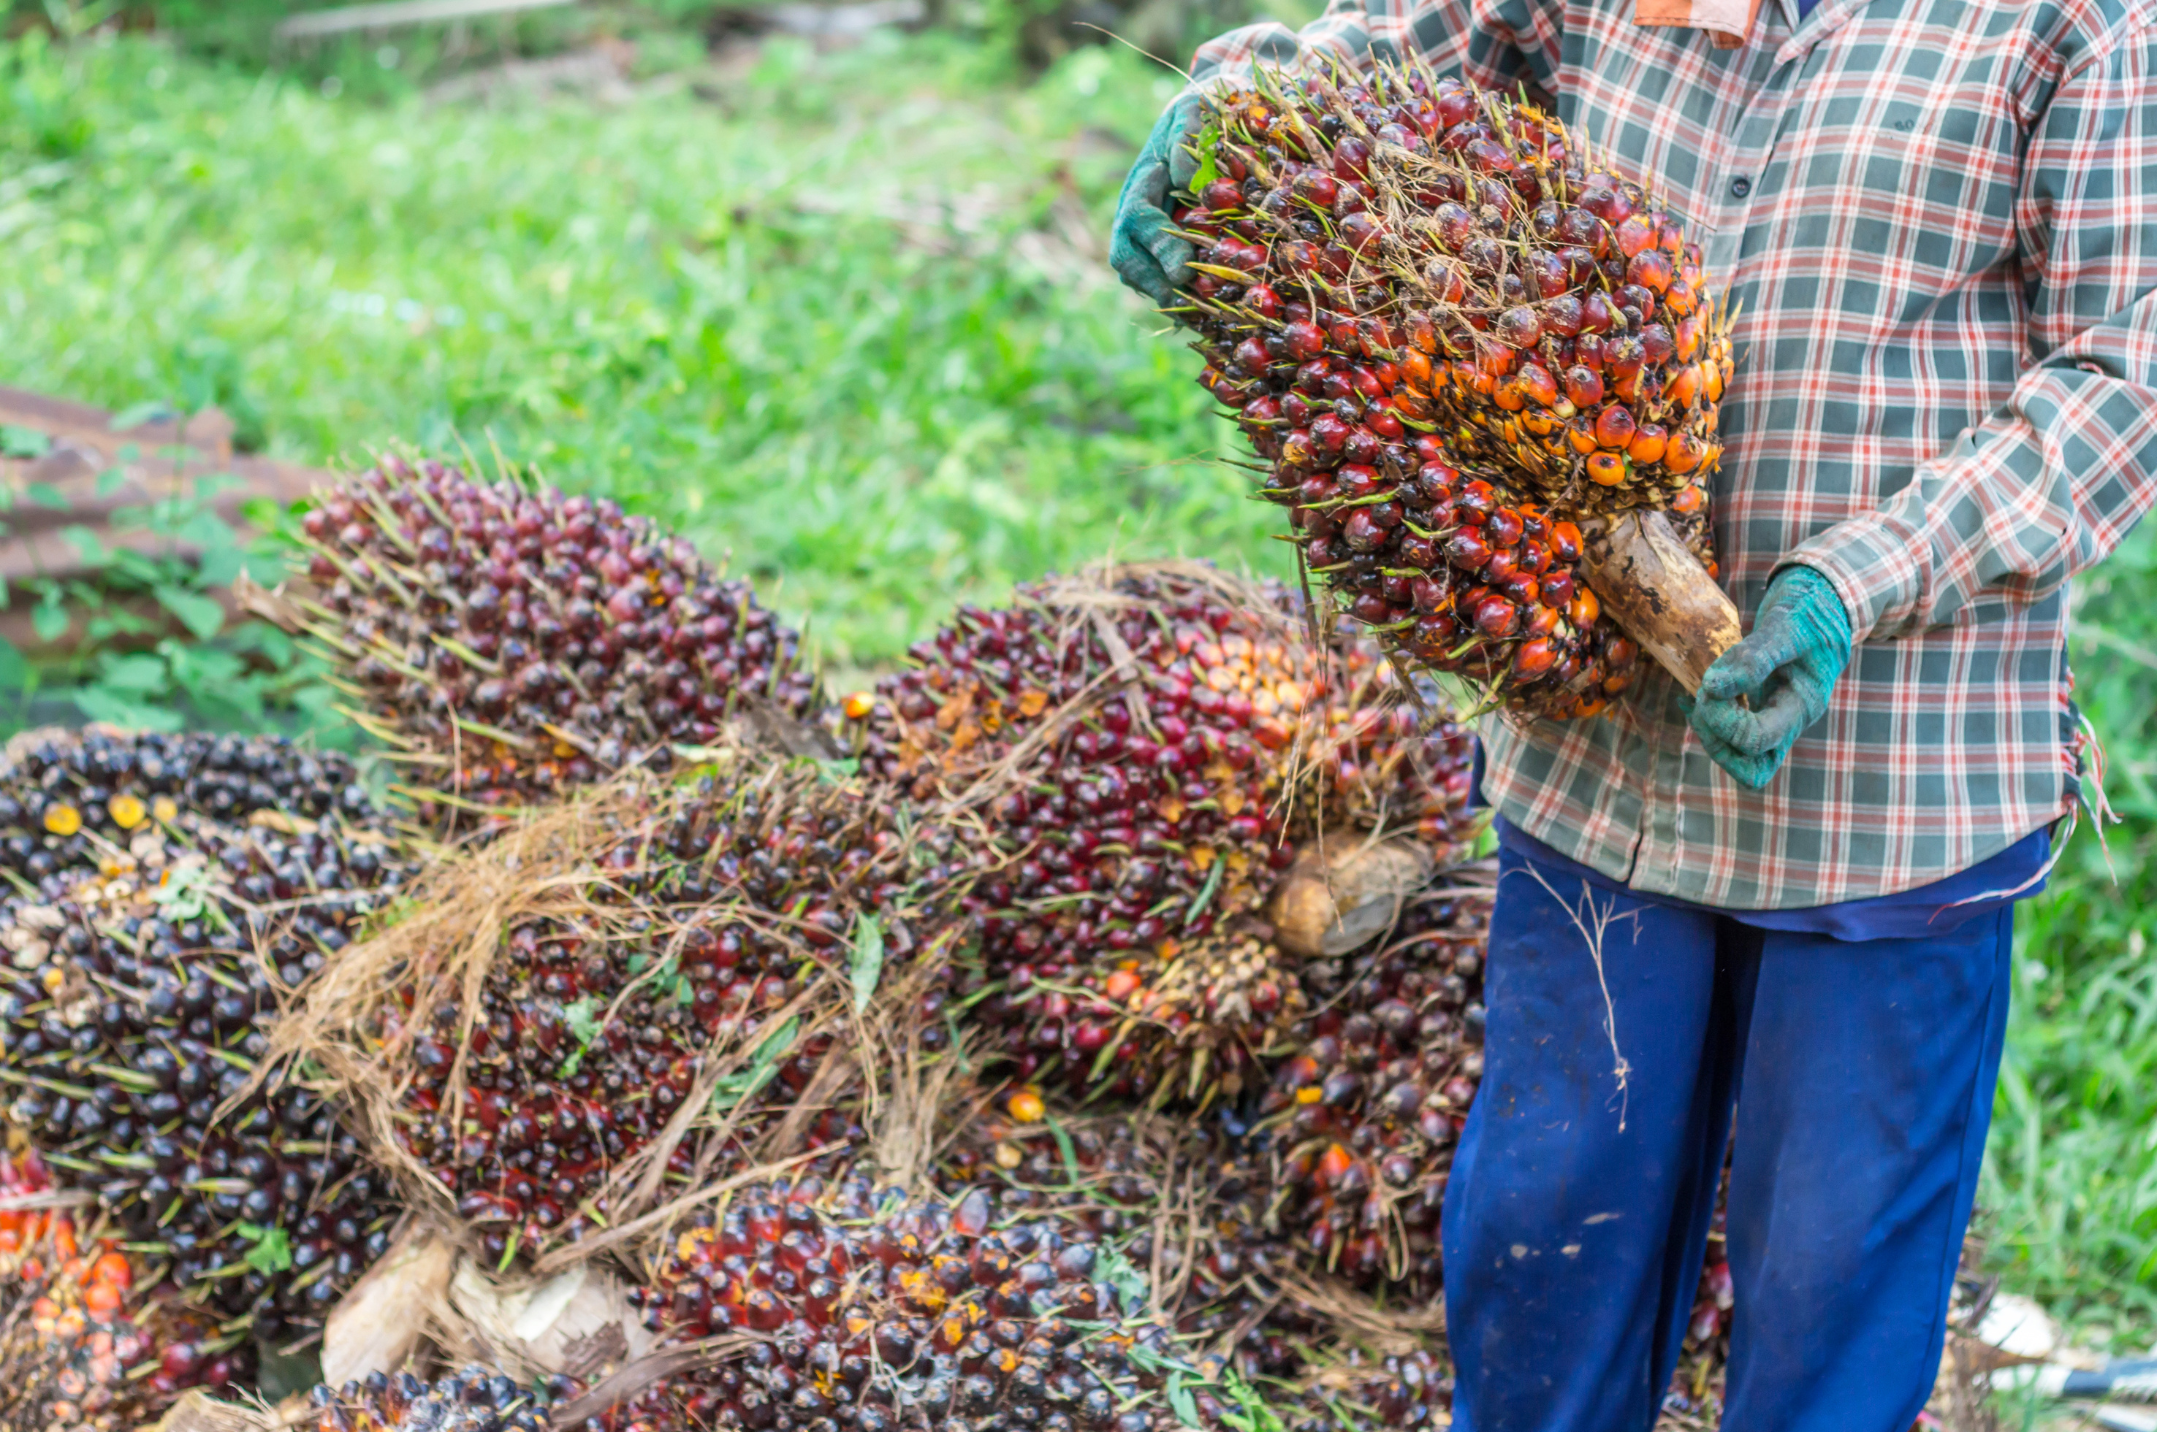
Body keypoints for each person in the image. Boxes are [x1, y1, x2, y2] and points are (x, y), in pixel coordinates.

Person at [1108, 0, 2157, 1426]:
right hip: (1603, 778)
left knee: (1831, 1317)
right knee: (1545, 1248)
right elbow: (1396, 54)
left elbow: (2122, 381)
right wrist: (1230, 109)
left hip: (1896, 785)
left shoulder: (2079, 25)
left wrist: (1856, 586)